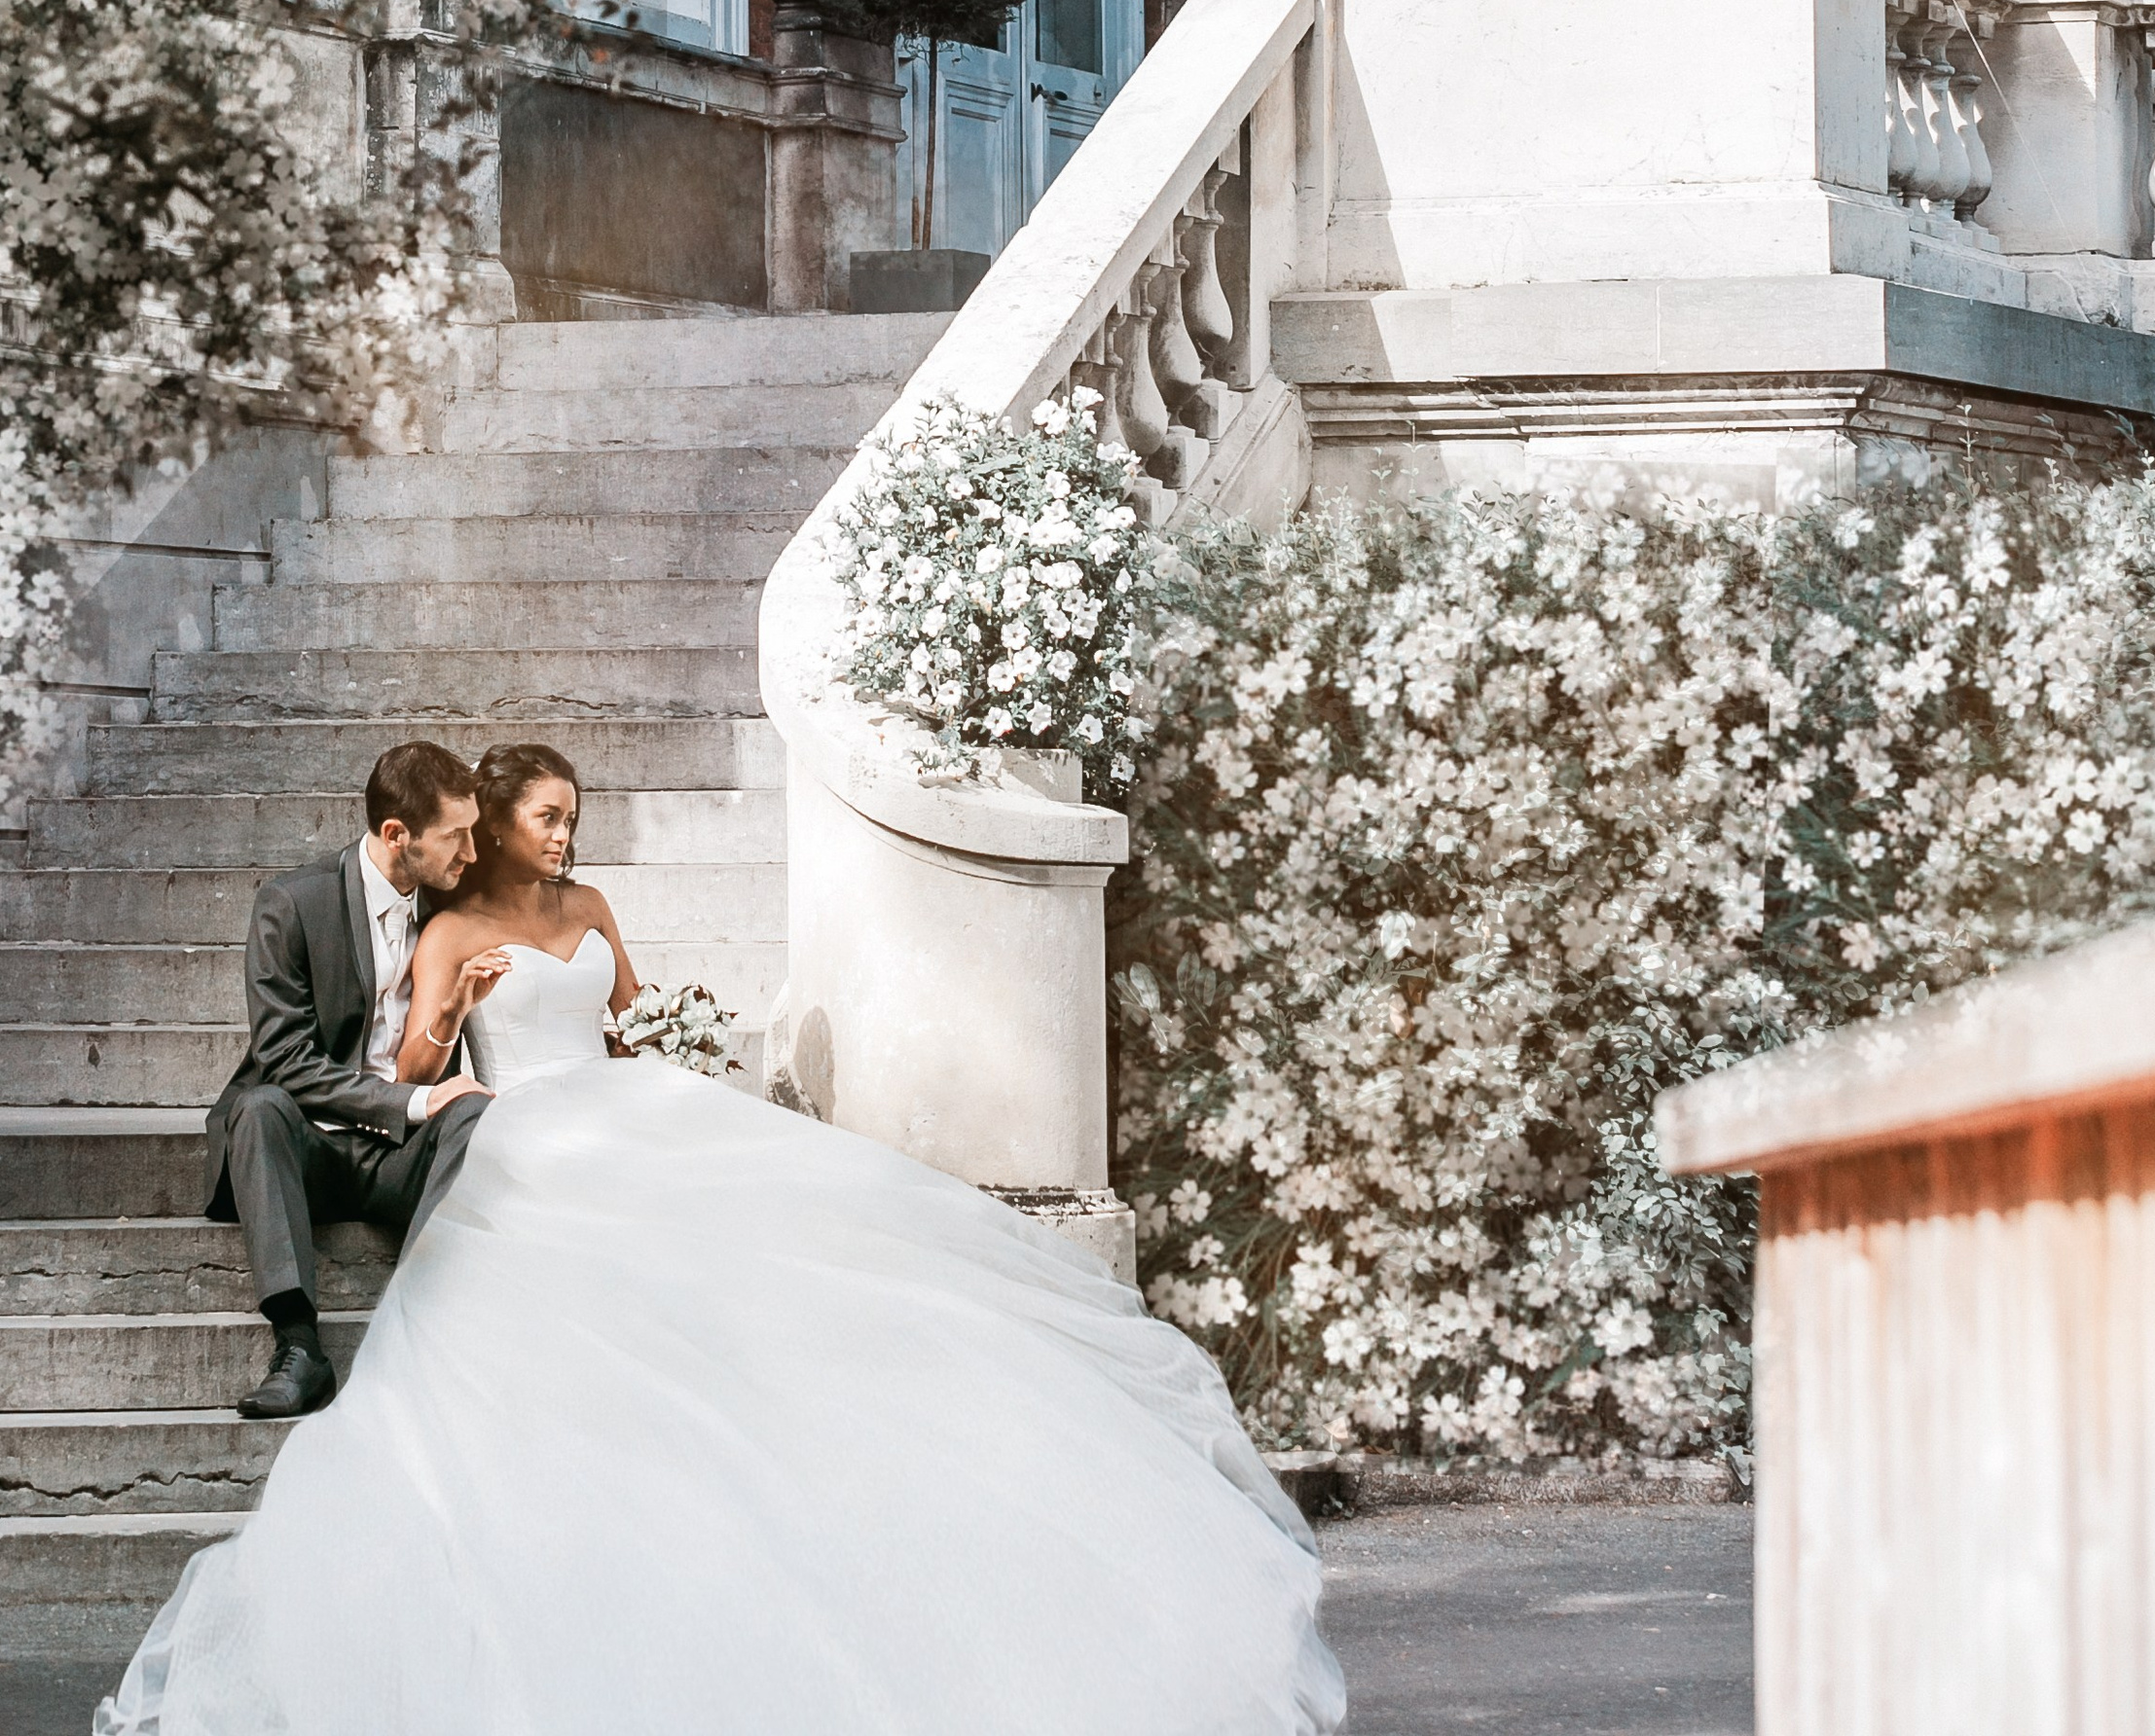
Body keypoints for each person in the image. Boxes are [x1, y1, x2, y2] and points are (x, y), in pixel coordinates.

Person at [105, 739, 1347, 1734]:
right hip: (491, 1115)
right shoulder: (439, 929)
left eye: (561, 815)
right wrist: (453, 1034)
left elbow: (638, 1017)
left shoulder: (585, 902)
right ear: (432, 837)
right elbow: (415, 1062)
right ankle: (304, 1336)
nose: (553, 835)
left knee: (759, 1196)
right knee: (431, 1156)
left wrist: (684, 1041)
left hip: (609, 1095)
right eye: (533, 817)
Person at [202, 739, 508, 1421]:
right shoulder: (291, 903)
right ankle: (299, 1347)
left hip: (398, 1158)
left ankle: (421, 1328)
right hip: (309, 1147)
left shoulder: (451, 907)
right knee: (257, 1107)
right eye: (456, 837)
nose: (472, 854)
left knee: (476, 1114)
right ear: (398, 836)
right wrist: (418, 1098)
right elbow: (285, 1058)